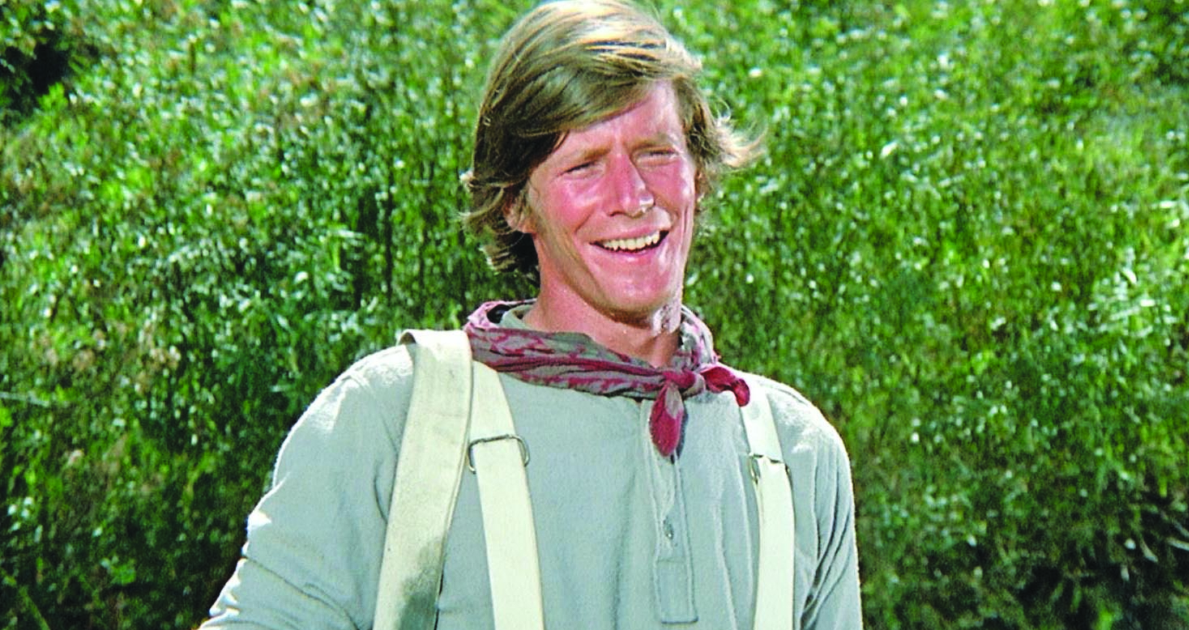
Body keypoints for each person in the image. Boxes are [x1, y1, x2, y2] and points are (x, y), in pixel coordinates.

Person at [200, 0, 862, 628]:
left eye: (656, 152)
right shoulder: (396, 422)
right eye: (584, 165)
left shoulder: (795, 455)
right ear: (516, 203)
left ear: (699, 171)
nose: (632, 197)